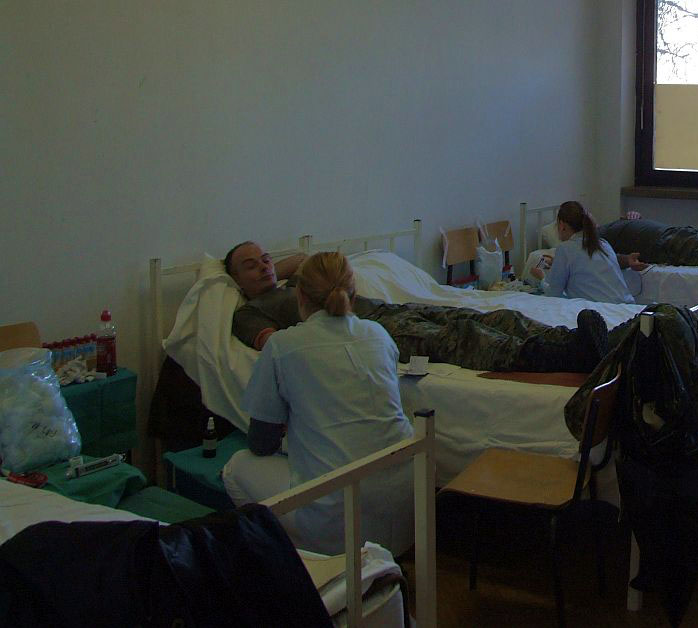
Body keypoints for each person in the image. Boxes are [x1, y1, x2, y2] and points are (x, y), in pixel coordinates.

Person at [222, 252, 414, 555]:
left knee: (236, 467)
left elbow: (260, 443)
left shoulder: (283, 346)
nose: (263, 266)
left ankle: (303, 559)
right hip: (406, 514)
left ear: (299, 295)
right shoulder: (379, 334)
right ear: (354, 294)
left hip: (340, 524)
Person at [224, 241, 607, 372]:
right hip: (368, 331)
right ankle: (560, 356)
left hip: (390, 310)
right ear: (235, 280)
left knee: (485, 315)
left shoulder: (298, 283)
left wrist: (272, 269)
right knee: (462, 337)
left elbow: (303, 258)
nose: (264, 266)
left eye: (266, 259)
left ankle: (572, 338)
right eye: (250, 265)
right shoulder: (249, 313)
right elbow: (273, 344)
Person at [530, 201, 637, 304]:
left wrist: (542, 278)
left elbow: (553, 293)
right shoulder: (603, 243)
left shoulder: (565, 248)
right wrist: (557, 262)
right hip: (627, 306)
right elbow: (587, 268)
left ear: (562, 225)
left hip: (602, 308)